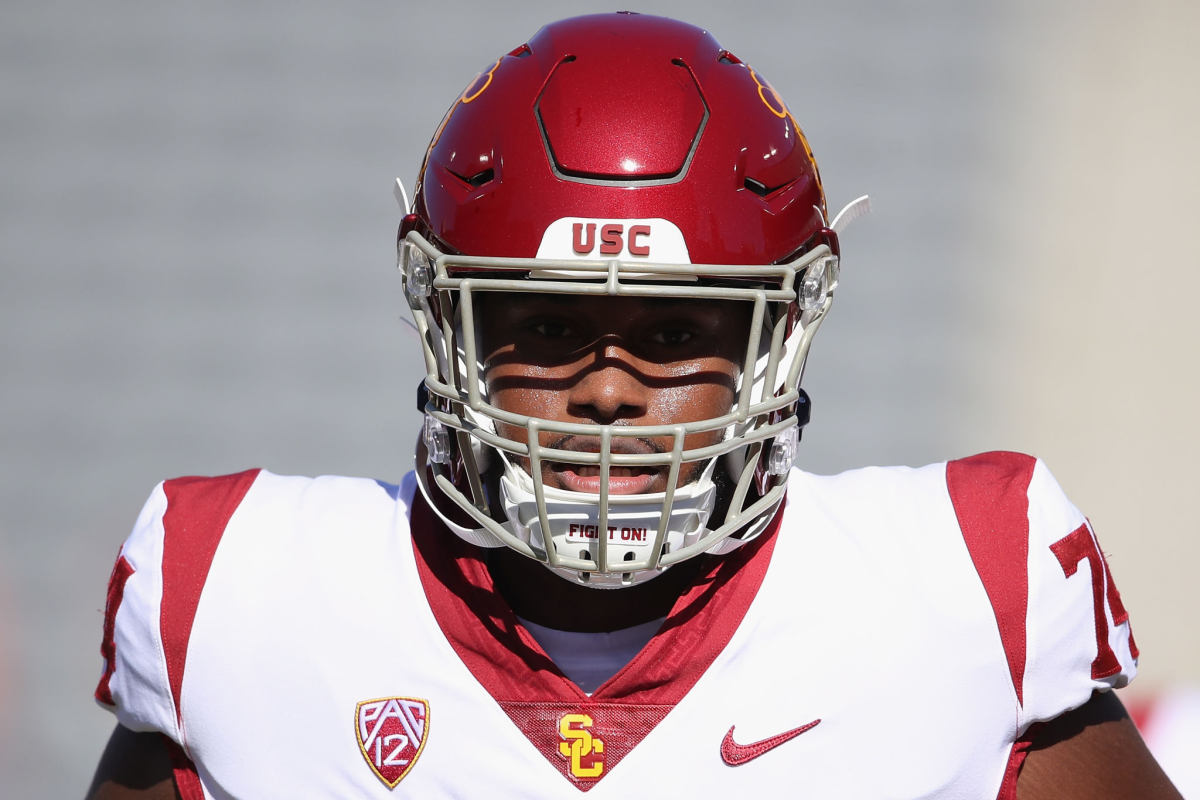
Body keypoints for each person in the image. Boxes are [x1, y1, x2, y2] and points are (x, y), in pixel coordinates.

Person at [86, 12, 1180, 799]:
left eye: (673, 334)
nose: (607, 390)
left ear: (780, 336)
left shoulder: (960, 594)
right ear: (447, 320)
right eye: (551, 328)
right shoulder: (241, 598)